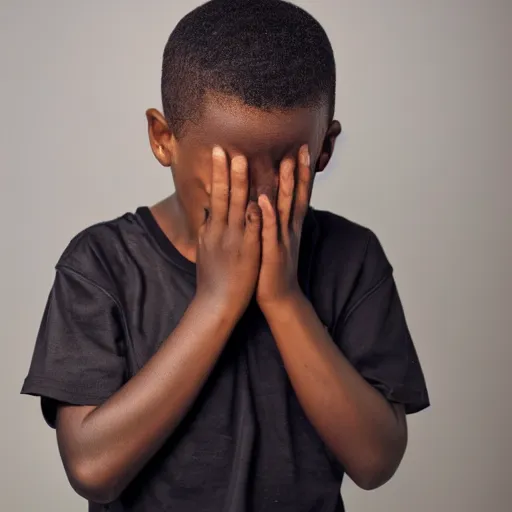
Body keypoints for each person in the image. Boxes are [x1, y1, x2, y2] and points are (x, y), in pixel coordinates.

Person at [21, 1, 430, 511]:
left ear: (323, 149)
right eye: (228, 171)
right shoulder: (102, 264)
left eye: (284, 168)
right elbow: (91, 468)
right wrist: (216, 301)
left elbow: (375, 462)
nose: (255, 196)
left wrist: (283, 298)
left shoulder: (352, 258)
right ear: (164, 138)